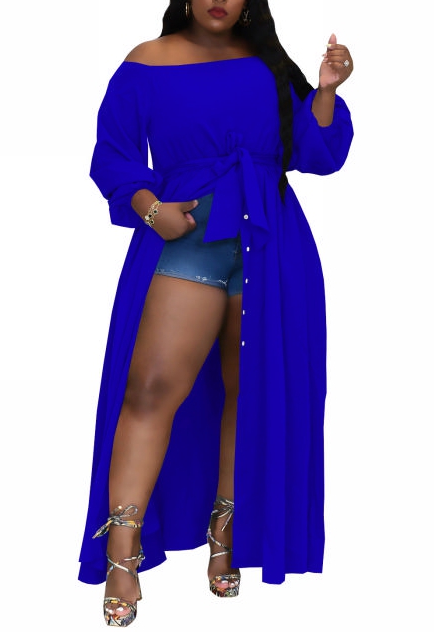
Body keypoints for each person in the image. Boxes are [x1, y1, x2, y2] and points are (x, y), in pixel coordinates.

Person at [79, 0, 354, 626]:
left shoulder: (268, 63)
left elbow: (315, 154)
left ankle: (225, 534)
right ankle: (122, 550)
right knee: (151, 388)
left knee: (248, 390)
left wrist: (326, 92)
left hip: (272, 238)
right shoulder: (146, 62)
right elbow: (112, 154)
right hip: (189, 235)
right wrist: (151, 209)